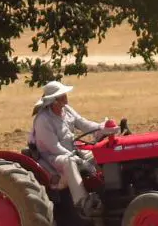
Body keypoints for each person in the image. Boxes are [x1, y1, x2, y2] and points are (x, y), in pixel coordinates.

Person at [30, 80, 114, 216]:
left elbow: (83, 123)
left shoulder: (66, 110)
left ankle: (106, 191)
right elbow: (54, 147)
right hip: (52, 159)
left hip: (72, 151)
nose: (66, 97)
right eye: (62, 95)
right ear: (53, 100)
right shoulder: (43, 120)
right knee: (69, 162)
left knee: (99, 153)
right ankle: (83, 203)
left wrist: (101, 128)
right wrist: (74, 157)